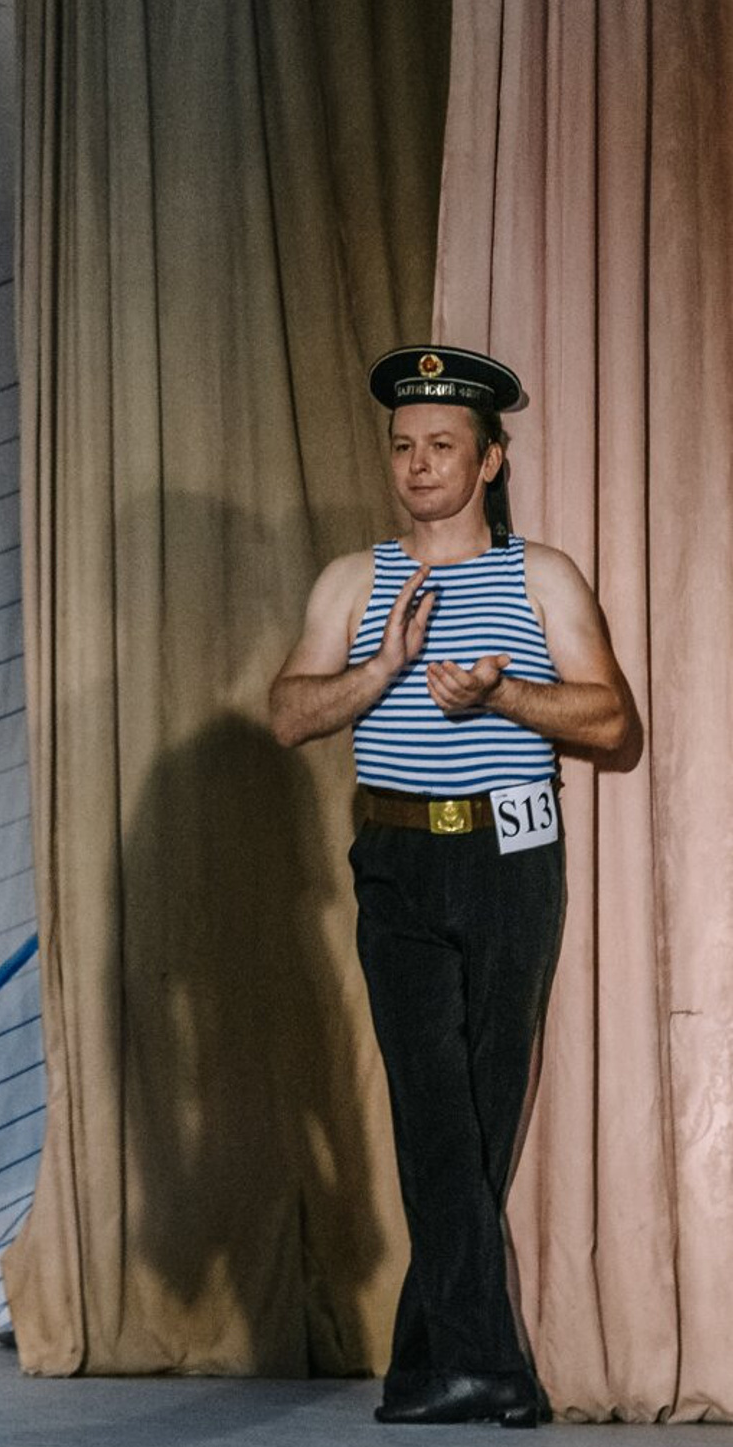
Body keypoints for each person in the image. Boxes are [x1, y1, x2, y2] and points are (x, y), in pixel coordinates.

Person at [269, 345, 635, 1427]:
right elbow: (288, 715)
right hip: (397, 858)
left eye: (442, 446)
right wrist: (380, 673)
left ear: (489, 460)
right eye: (403, 446)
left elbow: (612, 726)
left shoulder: (541, 576)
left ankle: (430, 1367)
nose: (418, 465)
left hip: (512, 857)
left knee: (477, 1110)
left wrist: (504, 696)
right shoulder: (354, 579)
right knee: (433, 1100)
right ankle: (492, 1371)